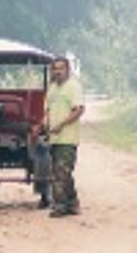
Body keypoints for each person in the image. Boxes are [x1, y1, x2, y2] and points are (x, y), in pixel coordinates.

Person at [45, 55, 85, 218]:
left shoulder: (73, 87)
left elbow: (79, 110)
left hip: (68, 138)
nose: (58, 71)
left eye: (61, 68)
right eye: (55, 68)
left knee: (60, 172)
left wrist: (61, 125)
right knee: (62, 172)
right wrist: (42, 125)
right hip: (54, 138)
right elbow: (47, 110)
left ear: (67, 69)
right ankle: (73, 204)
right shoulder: (52, 88)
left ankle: (60, 206)